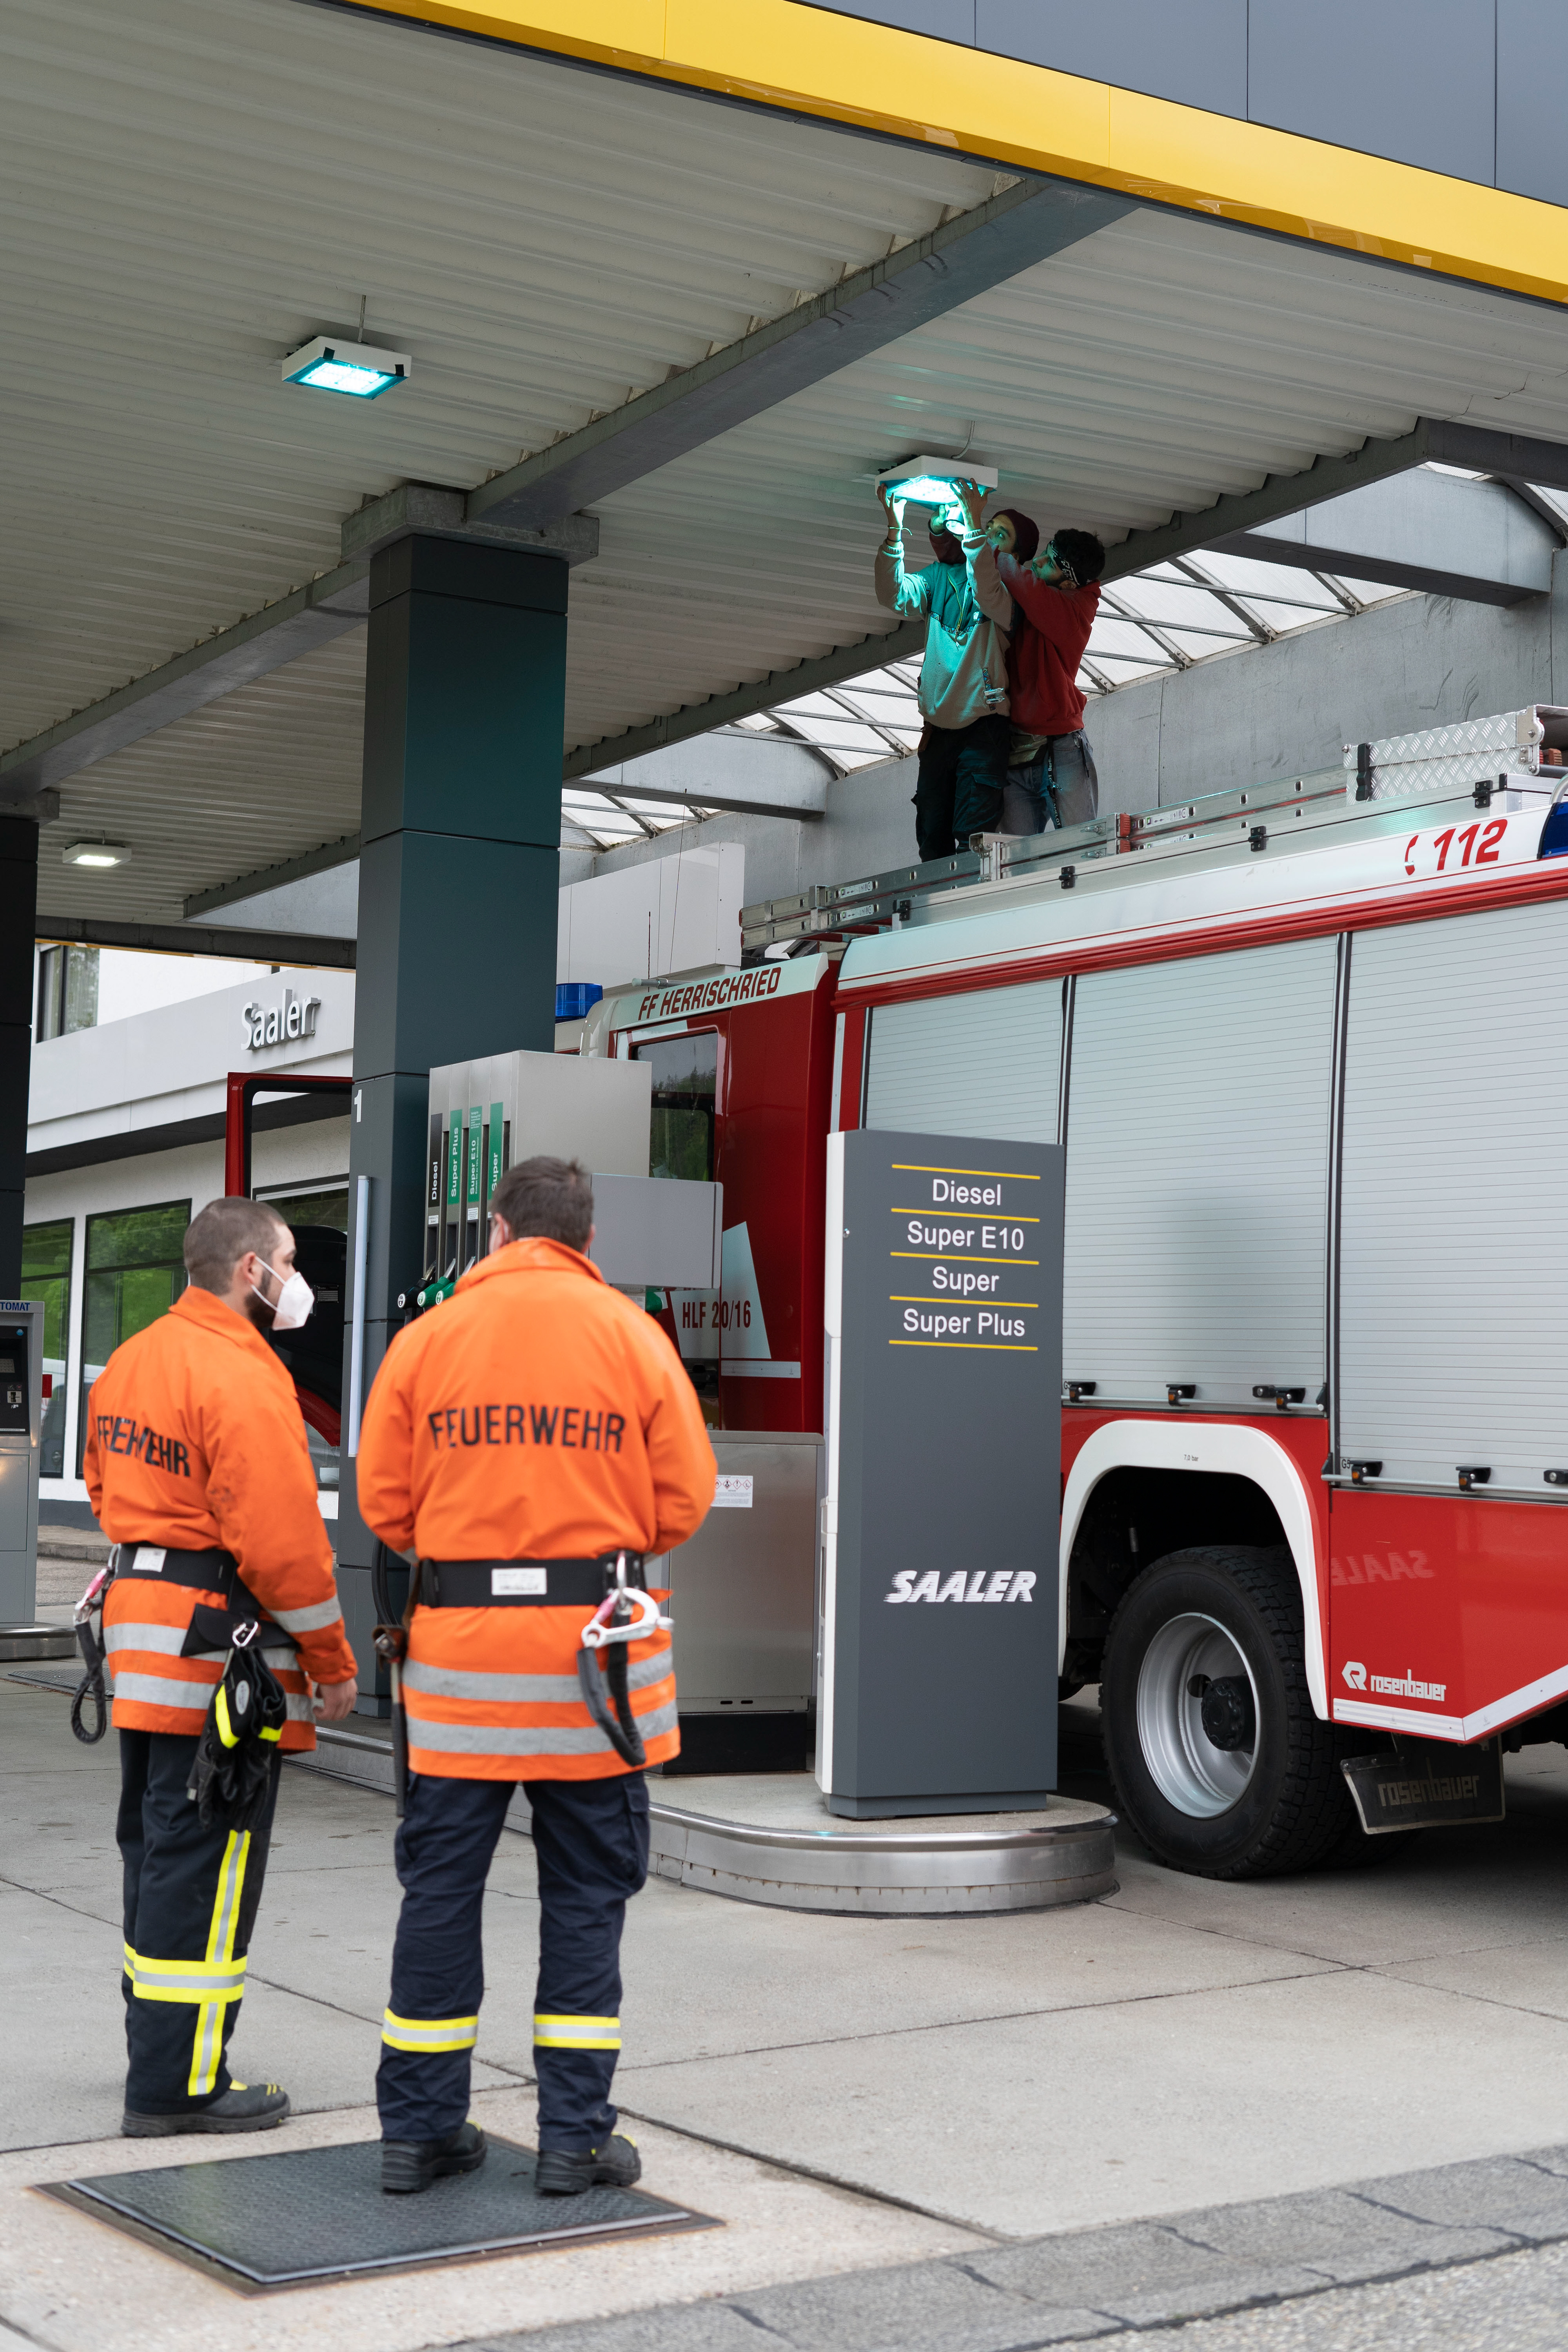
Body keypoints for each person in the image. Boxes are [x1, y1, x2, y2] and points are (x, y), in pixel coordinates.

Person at [356, 1156, 715, 2199]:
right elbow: (680, 1498)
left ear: (499, 1231)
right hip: (590, 1667)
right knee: (586, 1899)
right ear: (585, 1238)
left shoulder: (427, 1341)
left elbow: (385, 1500)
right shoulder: (630, 1336)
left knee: (438, 1894)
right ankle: (572, 2138)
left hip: (458, 1663)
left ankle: (417, 2132)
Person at [85, 1196, 359, 2138]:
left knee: (158, 1852)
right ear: (252, 1270)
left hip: (145, 1640)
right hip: (218, 1659)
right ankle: (178, 2083)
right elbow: (283, 1546)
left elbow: (101, 1485)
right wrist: (329, 1657)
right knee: (208, 1862)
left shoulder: (133, 1358)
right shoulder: (244, 1373)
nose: (297, 1279)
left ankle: (153, 2047)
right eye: (288, 1258)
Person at [875, 478, 1013, 860]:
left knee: (973, 841)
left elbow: (985, 588)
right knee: (931, 838)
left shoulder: (1003, 588)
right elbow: (893, 593)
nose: (945, 524)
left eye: (997, 532)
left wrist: (973, 522)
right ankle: (931, 914)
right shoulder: (936, 579)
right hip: (939, 732)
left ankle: (968, 913)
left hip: (983, 728)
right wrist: (895, 530)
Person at [991, 522, 1106, 832]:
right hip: (1015, 753)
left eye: (1051, 564)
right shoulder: (1032, 600)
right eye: (1044, 553)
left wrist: (986, 547)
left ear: (1069, 585)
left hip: (1061, 750)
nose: (1038, 562)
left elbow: (1027, 586)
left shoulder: (1073, 611)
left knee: (1080, 850)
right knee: (1019, 866)